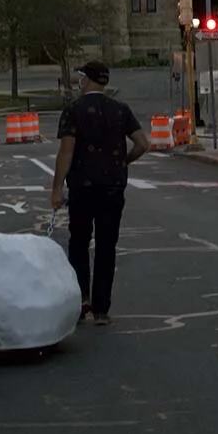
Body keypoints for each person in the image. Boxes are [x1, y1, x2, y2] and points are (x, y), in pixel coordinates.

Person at [51, 60, 149, 325]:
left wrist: (57, 187)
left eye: (81, 77)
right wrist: (124, 161)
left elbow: (66, 152)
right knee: (107, 246)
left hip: (83, 186)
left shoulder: (74, 110)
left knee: (79, 243)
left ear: (87, 80)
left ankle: (82, 299)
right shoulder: (120, 110)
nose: (80, 81)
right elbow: (143, 143)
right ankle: (102, 309)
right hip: (113, 187)